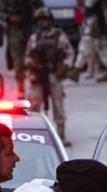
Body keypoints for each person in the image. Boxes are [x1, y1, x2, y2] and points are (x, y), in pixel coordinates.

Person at [25, 7, 76, 147]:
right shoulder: (34, 38)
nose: (43, 23)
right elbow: (27, 58)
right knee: (33, 104)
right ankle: (31, 133)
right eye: (41, 20)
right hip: (39, 75)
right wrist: (34, 67)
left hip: (55, 75)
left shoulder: (59, 35)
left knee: (58, 105)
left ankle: (61, 135)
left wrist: (63, 67)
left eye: (46, 19)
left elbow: (70, 53)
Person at [0, 0, 43, 97]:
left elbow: (41, 8)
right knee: (17, 60)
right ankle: (21, 85)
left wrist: (35, 16)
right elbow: (0, 13)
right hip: (15, 30)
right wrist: (9, 18)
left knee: (33, 57)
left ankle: (35, 83)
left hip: (30, 27)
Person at [73, 0, 107, 82]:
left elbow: (88, 10)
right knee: (102, 47)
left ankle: (76, 71)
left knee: (86, 46)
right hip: (96, 22)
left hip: (95, 23)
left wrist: (83, 6)